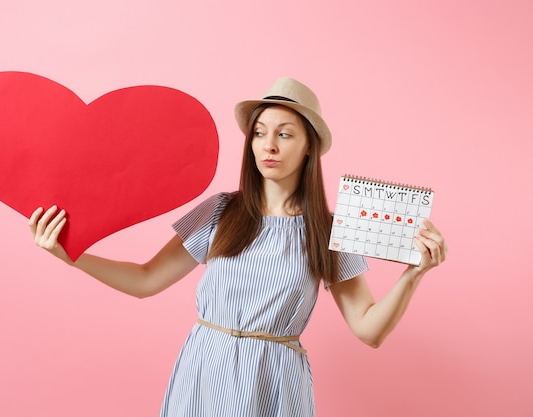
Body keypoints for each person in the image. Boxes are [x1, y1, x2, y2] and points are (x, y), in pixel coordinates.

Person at [29, 77, 447, 416]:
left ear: (308, 148)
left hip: (275, 384)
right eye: (260, 133)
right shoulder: (220, 211)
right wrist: (72, 256)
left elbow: (369, 330)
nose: (269, 145)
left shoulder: (330, 231)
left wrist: (415, 273)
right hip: (204, 370)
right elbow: (146, 279)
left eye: (285, 134)